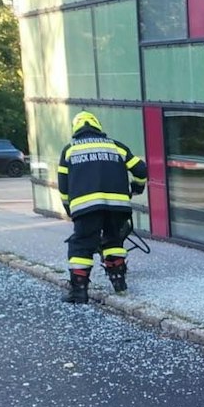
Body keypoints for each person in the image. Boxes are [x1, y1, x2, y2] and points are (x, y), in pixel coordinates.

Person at [57, 111, 147, 304]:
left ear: (76, 129)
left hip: (86, 207)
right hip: (118, 206)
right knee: (113, 240)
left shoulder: (69, 150)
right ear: (98, 126)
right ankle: (119, 283)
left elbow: (63, 188)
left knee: (81, 245)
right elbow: (141, 169)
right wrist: (137, 187)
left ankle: (79, 292)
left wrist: (69, 210)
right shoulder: (116, 146)